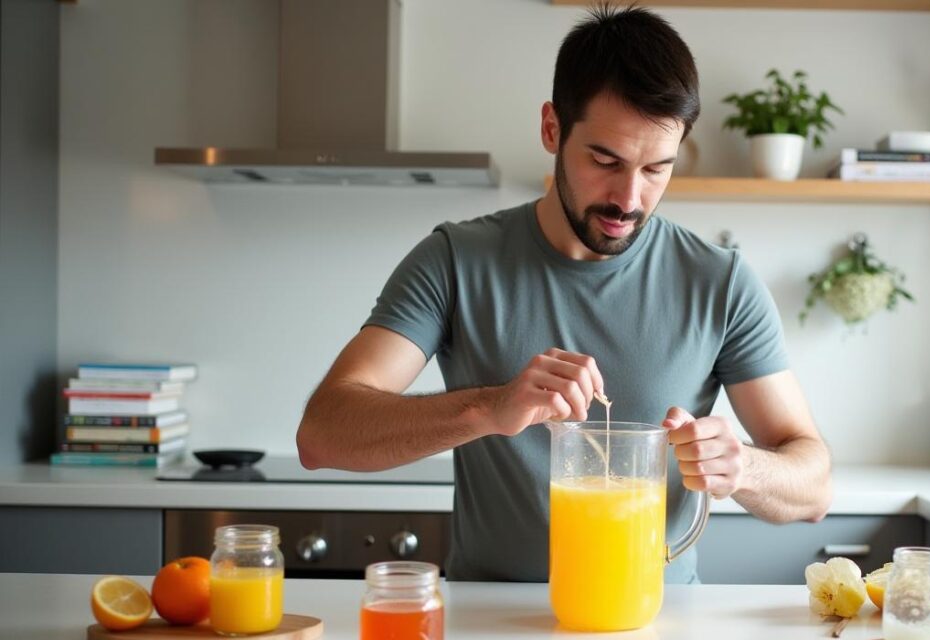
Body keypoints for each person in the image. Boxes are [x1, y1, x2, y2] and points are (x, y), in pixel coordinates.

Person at [297, 5, 832, 583]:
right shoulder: (456, 260)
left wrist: (744, 467)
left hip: (658, 625)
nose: (629, 198)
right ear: (552, 128)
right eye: (606, 160)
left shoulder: (719, 282)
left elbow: (815, 487)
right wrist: (490, 409)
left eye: (657, 168)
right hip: (490, 626)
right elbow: (323, 435)